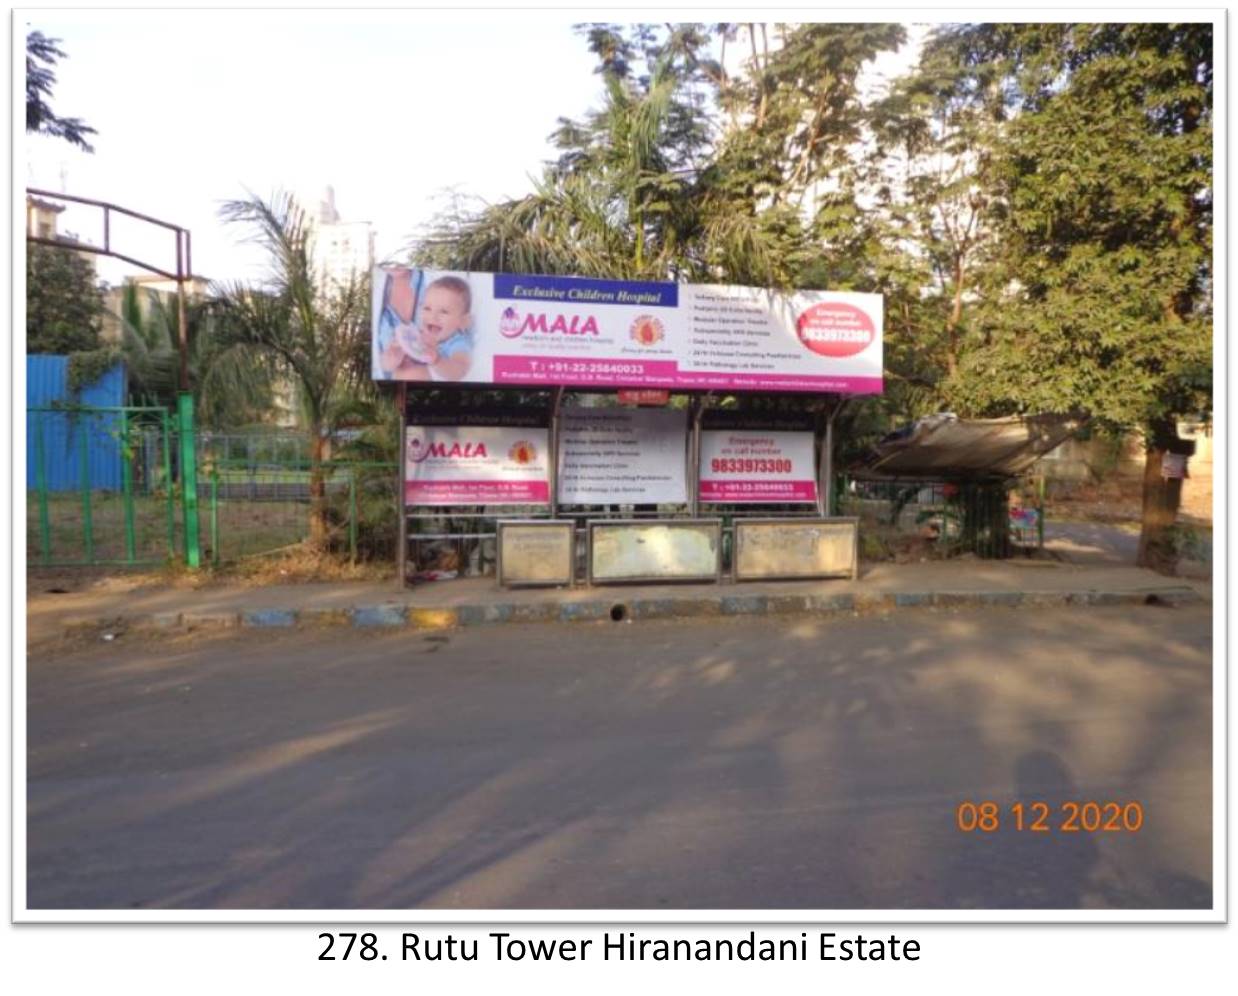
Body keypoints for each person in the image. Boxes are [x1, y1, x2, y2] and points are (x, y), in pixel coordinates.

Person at [379, 272, 474, 381]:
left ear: (463, 321)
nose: (432, 316)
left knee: (411, 373)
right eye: (427, 308)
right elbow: (384, 367)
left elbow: (460, 370)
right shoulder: (417, 334)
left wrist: (437, 361)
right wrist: (392, 357)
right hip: (403, 387)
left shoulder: (457, 342)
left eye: (444, 311)